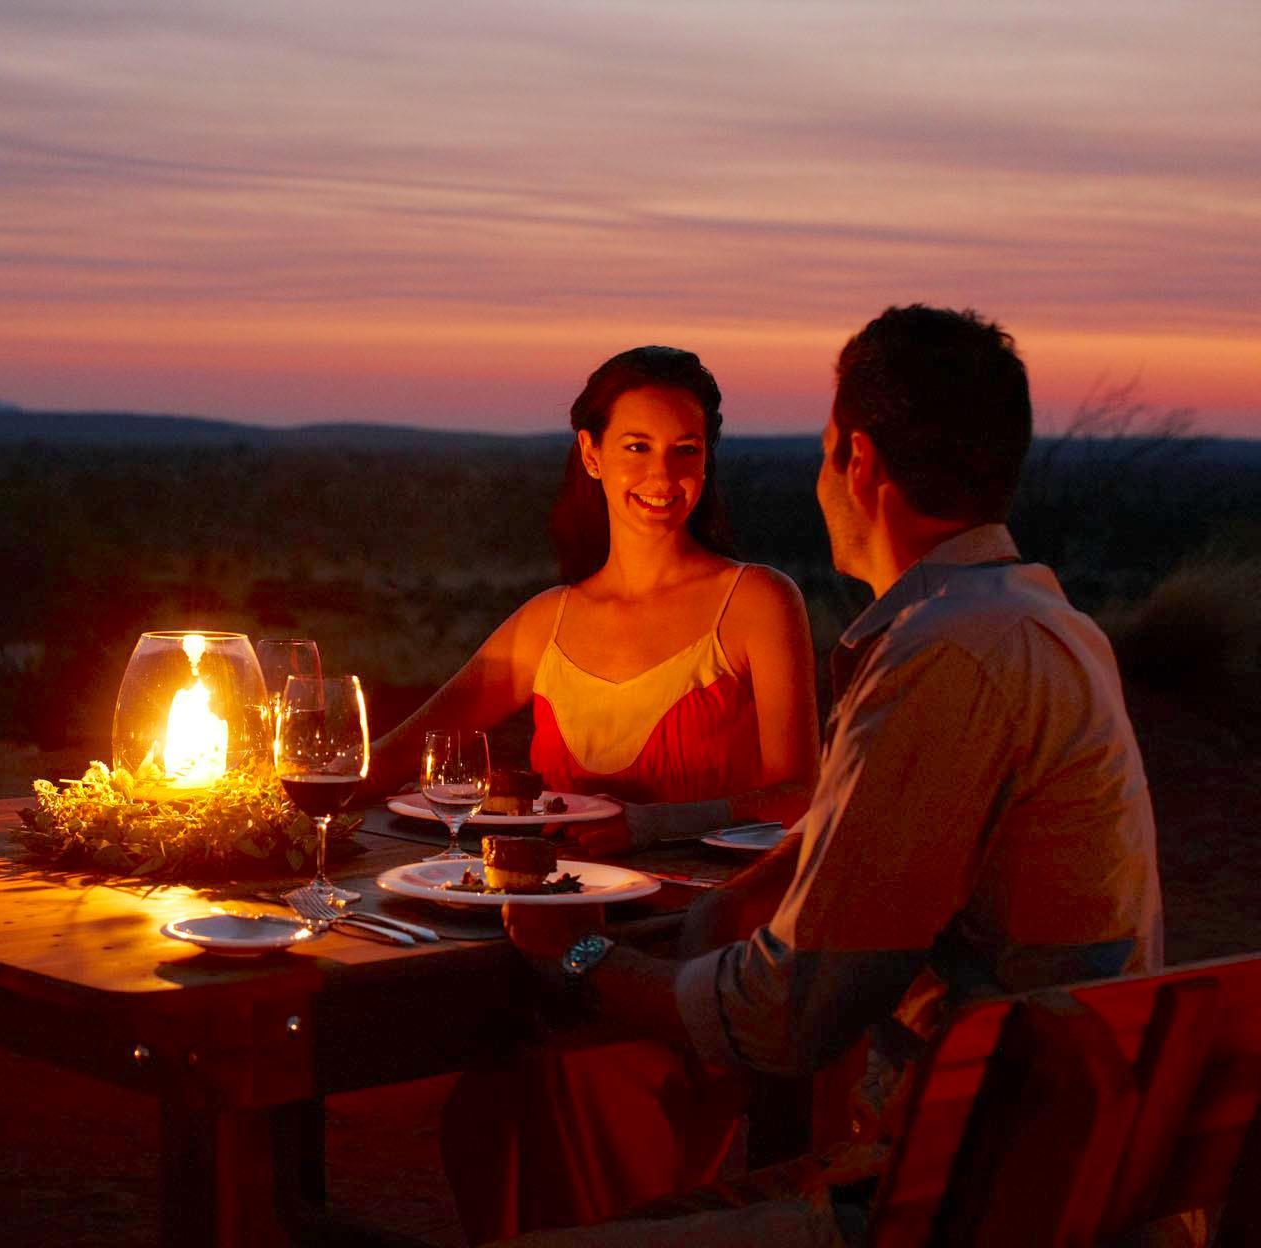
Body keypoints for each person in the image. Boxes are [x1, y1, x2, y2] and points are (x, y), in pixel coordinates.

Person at [491, 305, 1164, 1247]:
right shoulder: (1045, 625)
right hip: (1060, 1160)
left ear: (859, 462)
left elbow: (787, 1016)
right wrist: (726, 903)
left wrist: (575, 957)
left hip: (972, 1194)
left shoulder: (946, 656)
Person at [368, 344, 819, 854]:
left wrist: (656, 824)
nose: (664, 476)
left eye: (685, 449)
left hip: (708, 912)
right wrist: (275, 789)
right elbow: (392, 759)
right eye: (637, 447)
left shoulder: (756, 602)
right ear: (591, 454)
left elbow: (801, 793)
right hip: (551, 910)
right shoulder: (546, 624)